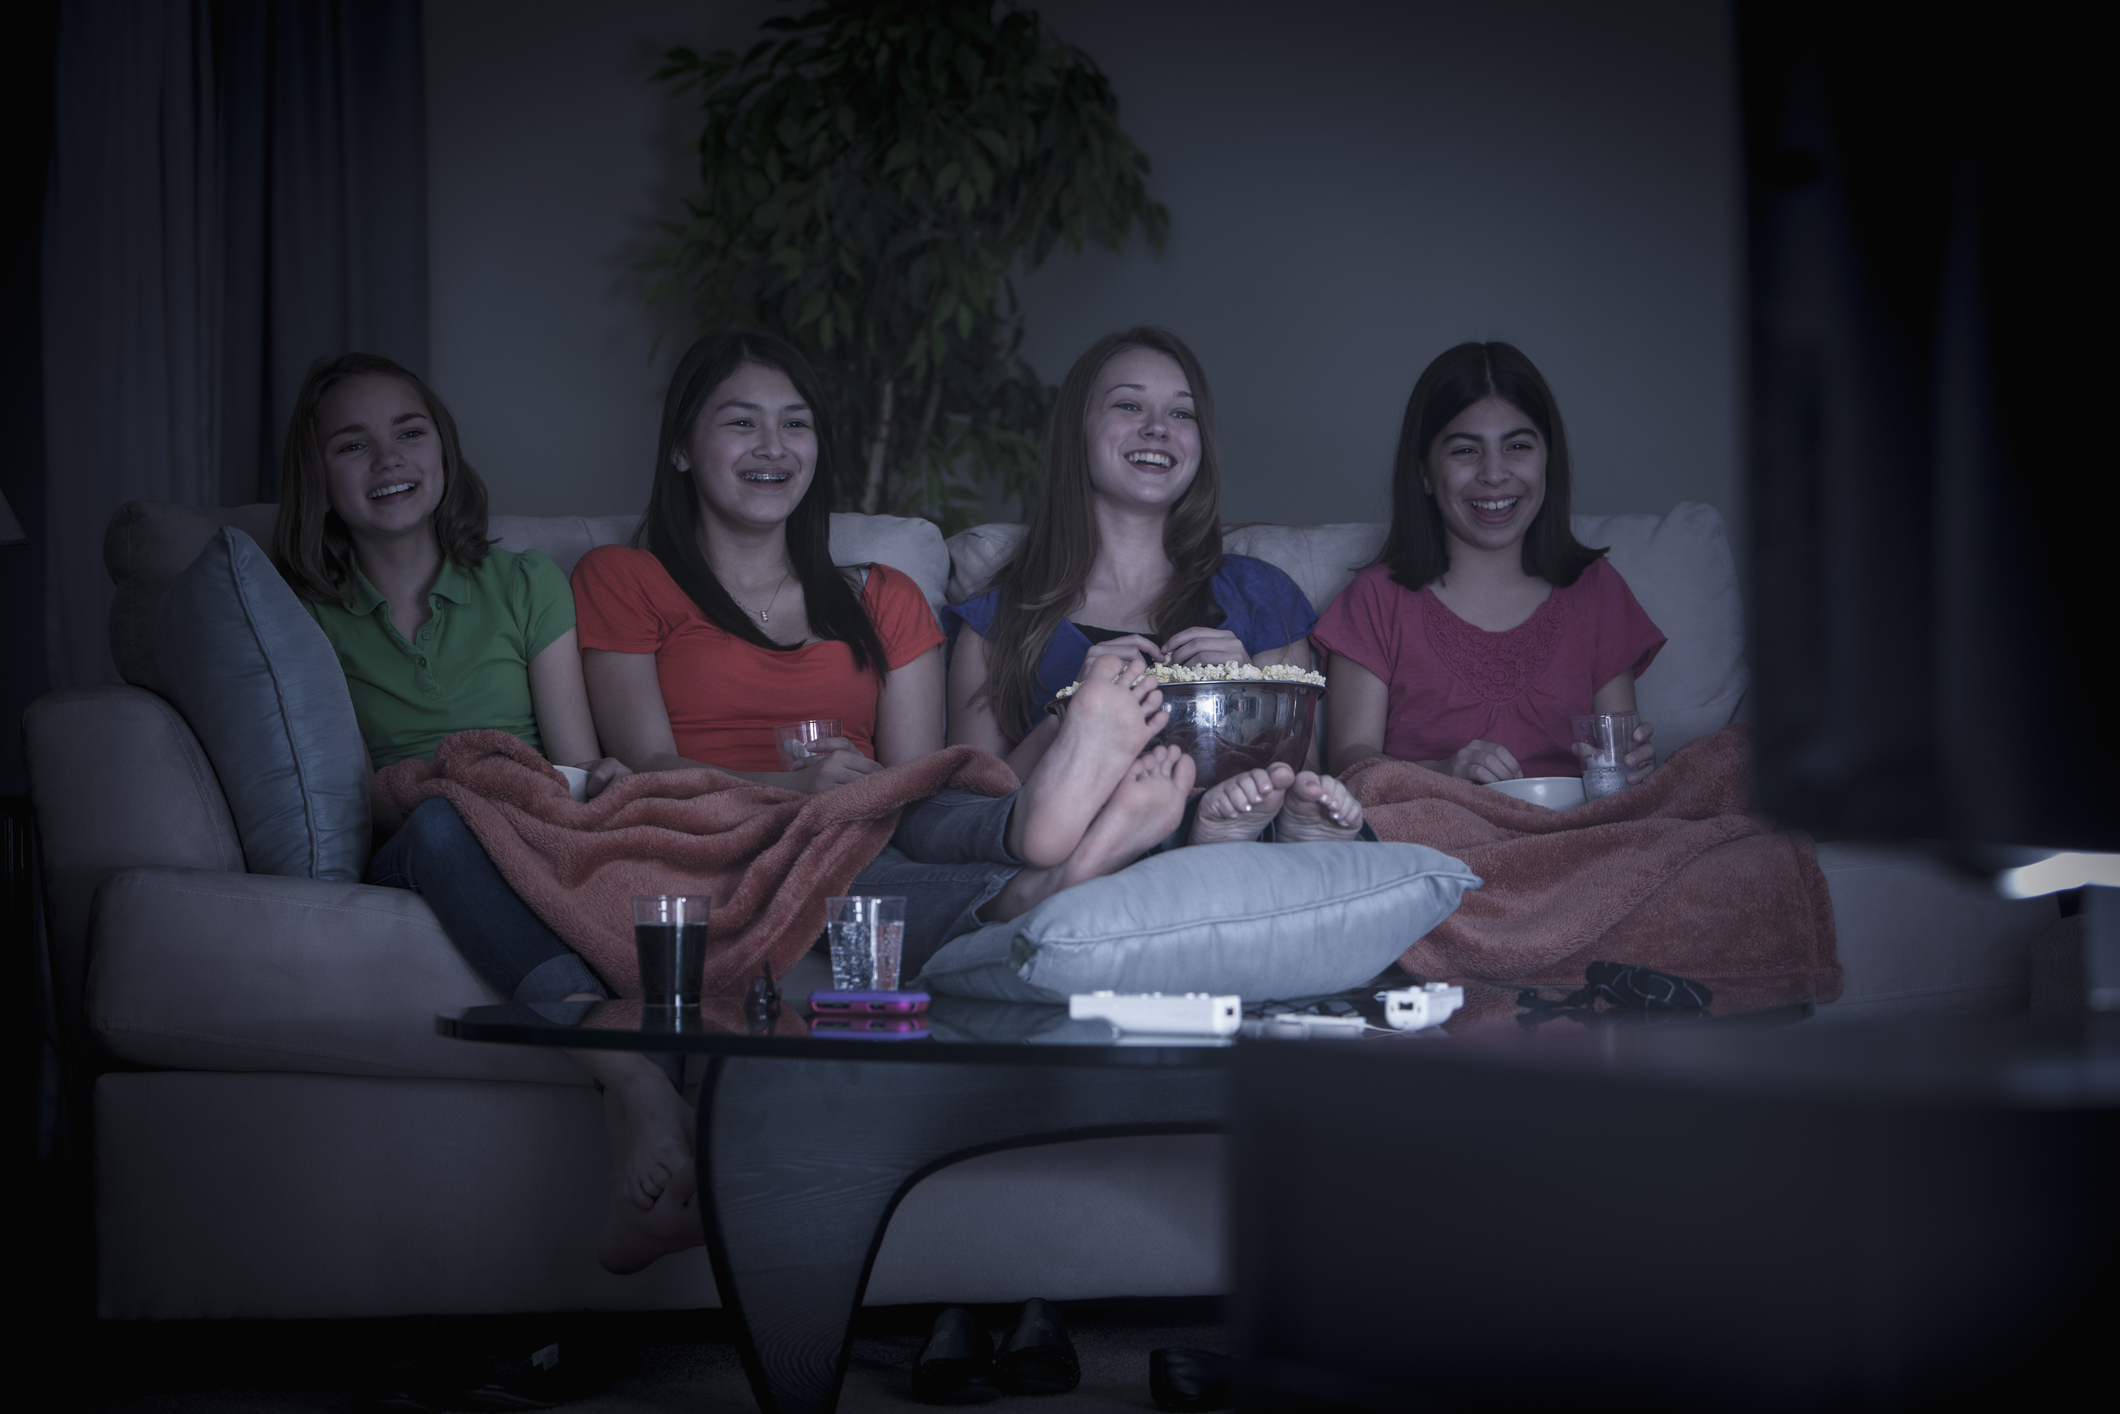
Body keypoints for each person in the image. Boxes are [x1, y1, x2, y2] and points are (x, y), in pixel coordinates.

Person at [572, 331, 1196, 989]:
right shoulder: (623, 578)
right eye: (741, 422)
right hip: (723, 839)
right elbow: (646, 767)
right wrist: (795, 790)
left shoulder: (884, 597)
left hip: (868, 826)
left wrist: (1048, 731)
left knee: (929, 802)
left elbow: (914, 783)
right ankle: (1049, 874)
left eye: (795, 424)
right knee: (852, 861)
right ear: (679, 448)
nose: (774, 446)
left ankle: (1035, 828)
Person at [270, 352, 696, 1278]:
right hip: (421, 833)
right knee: (439, 821)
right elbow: (358, 790)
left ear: (445, 451)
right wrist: (434, 790)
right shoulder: (300, 612)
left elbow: (571, 762)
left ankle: (658, 1128)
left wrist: (601, 784)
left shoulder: (524, 585)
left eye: (409, 431)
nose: (387, 457)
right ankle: (631, 1072)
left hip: (536, 819)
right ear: (318, 476)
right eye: (353, 444)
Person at [945, 325, 1363, 846]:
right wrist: (1074, 716)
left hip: (1244, 860)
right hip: (1077, 861)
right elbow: (967, 816)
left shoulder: (1264, 598)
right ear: (1077, 429)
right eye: (1129, 406)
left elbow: (1301, 790)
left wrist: (1247, 692)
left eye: (1181, 413)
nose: (1159, 428)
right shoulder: (996, 624)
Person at [1312, 341, 1665, 785]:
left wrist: (1632, 765)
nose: (1495, 474)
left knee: (1730, 753)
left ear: (1547, 460)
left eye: (1518, 446)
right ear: (1423, 470)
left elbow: (1615, 754)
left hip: (1577, 831)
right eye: (1465, 450)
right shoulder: (1375, 600)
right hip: (1439, 832)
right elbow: (1349, 764)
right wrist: (1442, 774)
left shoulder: (1598, 590)